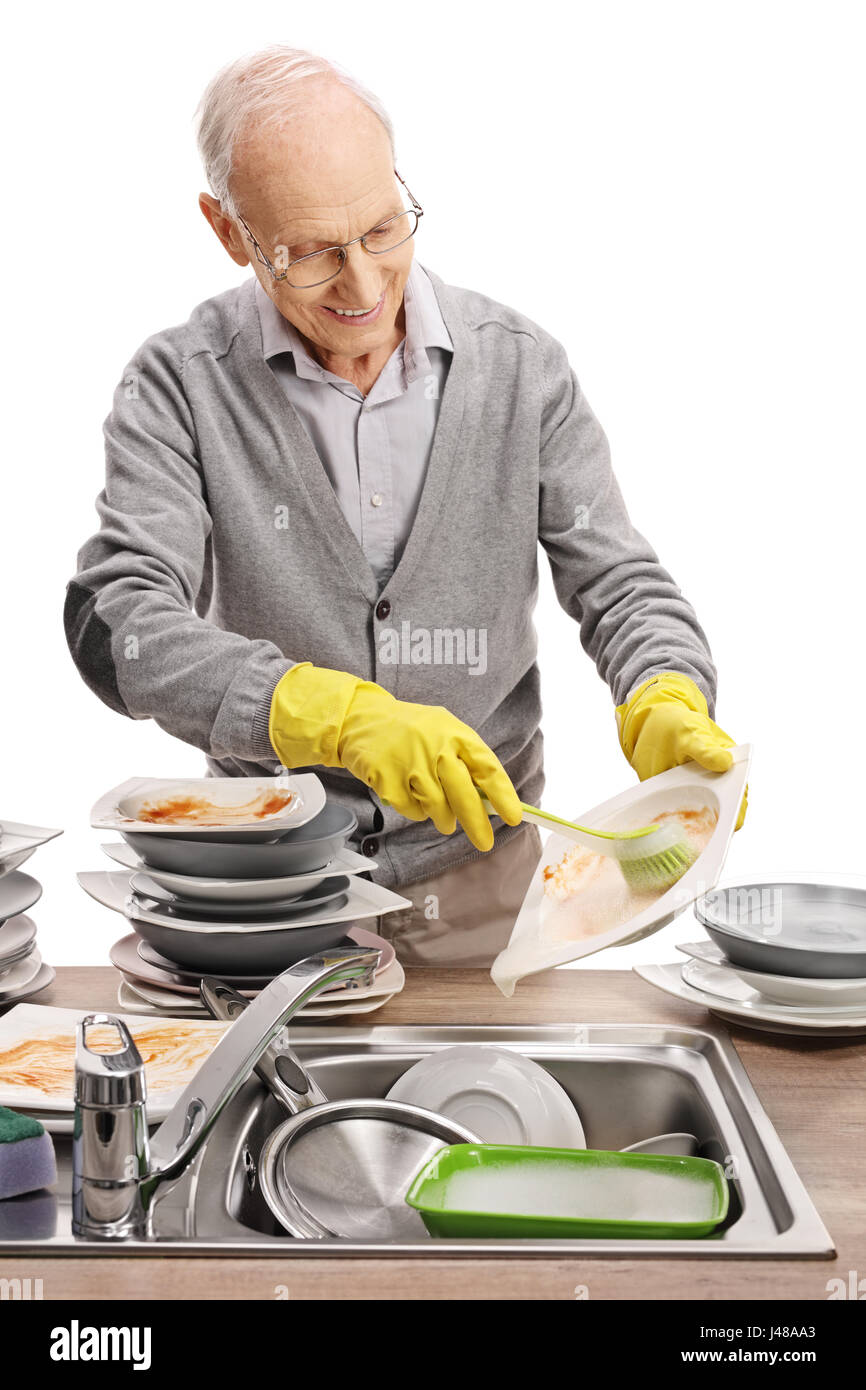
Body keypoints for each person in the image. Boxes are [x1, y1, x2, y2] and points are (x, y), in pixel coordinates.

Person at [65, 45, 745, 967]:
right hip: (265, 901)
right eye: (310, 253)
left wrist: (664, 691)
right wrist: (325, 714)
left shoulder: (520, 368)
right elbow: (120, 629)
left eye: (384, 228)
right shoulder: (178, 387)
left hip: (486, 901)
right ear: (229, 233)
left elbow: (620, 584)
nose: (364, 283)